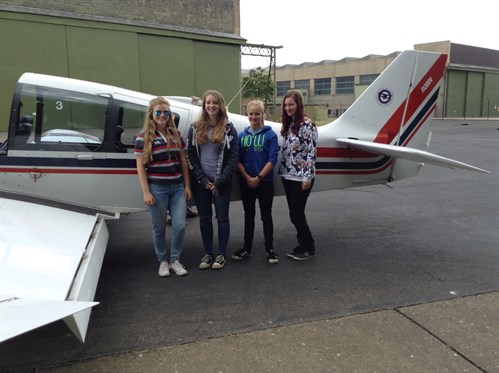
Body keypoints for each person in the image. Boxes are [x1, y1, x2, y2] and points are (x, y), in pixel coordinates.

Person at [135, 97, 192, 277]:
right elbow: (140, 167)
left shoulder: (176, 135)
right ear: (151, 114)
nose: (162, 115)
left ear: (169, 115)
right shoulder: (142, 137)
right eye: (158, 112)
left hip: (176, 188)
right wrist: (146, 192)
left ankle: (175, 260)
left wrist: (187, 186)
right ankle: (162, 262)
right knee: (158, 227)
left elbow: (183, 161)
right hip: (157, 189)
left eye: (165, 112)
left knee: (180, 226)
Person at [187, 90, 239, 270]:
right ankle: (208, 253)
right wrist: (201, 178)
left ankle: (221, 254)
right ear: (204, 105)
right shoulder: (194, 128)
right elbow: (191, 155)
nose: (211, 106)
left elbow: (233, 158)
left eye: (215, 103)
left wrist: (221, 180)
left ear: (220, 105)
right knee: (205, 218)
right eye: (208, 102)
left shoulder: (229, 129)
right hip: (202, 183)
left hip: (221, 183)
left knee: (222, 218)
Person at [232, 100, 280, 264]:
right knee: (249, 216)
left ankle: (270, 249)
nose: (254, 117)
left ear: (262, 115)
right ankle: (247, 248)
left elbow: (272, 160)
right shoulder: (241, 136)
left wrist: (258, 178)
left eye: (257, 113)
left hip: (264, 182)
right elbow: (238, 160)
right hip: (246, 182)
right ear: (247, 115)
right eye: (251, 114)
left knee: (266, 216)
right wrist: (247, 178)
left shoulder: (271, 135)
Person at [278, 90, 318, 260]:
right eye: (286, 105)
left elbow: (311, 152)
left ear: (298, 105)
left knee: (296, 213)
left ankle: (309, 246)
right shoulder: (288, 124)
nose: (288, 108)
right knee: (295, 213)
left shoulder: (307, 125)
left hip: (301, 178)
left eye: (291, 105)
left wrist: (306, 177)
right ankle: (302, 244)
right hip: (288, 176)